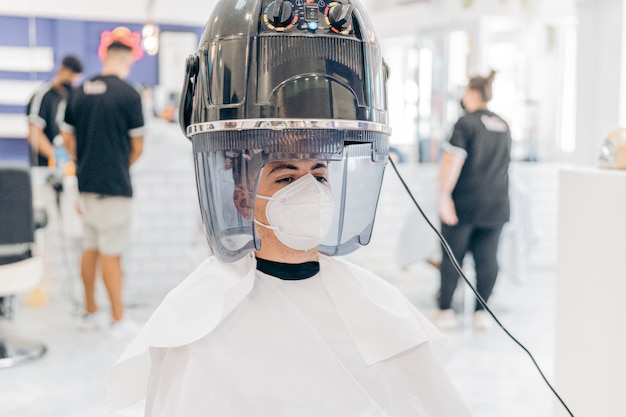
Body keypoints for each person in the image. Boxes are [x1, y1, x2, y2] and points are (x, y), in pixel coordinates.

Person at [108, 1, 472, 415]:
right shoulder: (197, 319)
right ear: (242, 199)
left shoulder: (377, 306)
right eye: (284, 177)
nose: (309, 191)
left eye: (319, 175)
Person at [60, 27, 145, 334]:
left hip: (86, 186)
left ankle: (90, 310)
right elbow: (138, 147)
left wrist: (83, 163)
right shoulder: (129, 94)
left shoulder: (79, 92)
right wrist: (118, 165)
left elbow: (67, 139)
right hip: (114, 187)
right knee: (111, 252)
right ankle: (118, 319)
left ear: (105, 56)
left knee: (90, 247)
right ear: (126, 60)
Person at [431, 70, 512, 330]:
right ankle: (481, 313)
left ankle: (445, 310)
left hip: (465, 203)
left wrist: (444, 196)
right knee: (488, 259)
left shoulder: (464, 123)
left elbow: (452, 161)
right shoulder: (503, 124)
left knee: (452, 258)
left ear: (473, 94)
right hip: (496, 204)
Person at [26, 55, 83, 167]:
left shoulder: (74, 97)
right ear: (61, 70)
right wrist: (55, 156)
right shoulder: (42, 95)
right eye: (69, 75)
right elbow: (34, 134)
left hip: (71, 168)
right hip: (44, 167)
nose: (71, 81)